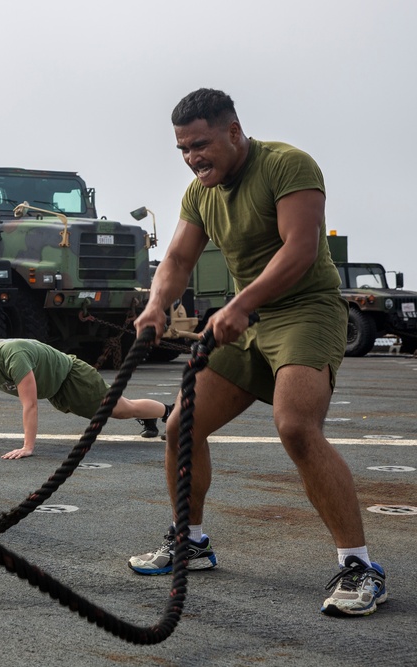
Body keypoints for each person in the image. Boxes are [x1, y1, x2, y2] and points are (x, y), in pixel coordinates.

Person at [129, 88, 386, 617]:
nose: (193, 157)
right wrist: (156, 304)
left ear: (234, 132)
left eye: (200, 144)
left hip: (305, 310)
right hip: (247, 321)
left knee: (296, 427)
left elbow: (301, 248)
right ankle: (190, 543)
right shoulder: (199, 192)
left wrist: (240, 304)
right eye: (182, 149)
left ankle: (360, 566)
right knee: (181, 426)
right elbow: (176, 257)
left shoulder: (288, 165)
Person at [0, 339, 173, 460]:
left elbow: (30, 404)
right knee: (122, 409)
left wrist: (28, 447)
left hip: (74, 378)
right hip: (58, 390)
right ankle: (151, 417)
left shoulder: (13, 357)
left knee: (123, 409)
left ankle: (169, 412)